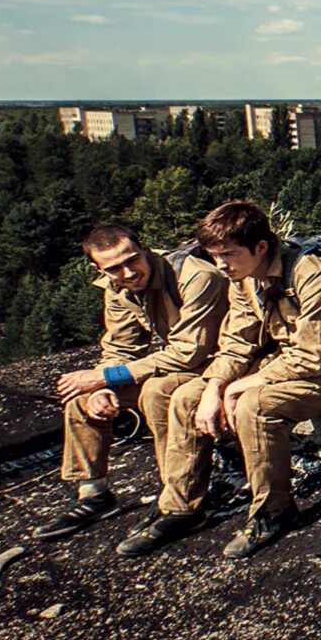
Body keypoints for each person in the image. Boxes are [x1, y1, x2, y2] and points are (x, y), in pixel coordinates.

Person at [118, 201, 321, 560]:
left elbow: (313, 357)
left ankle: (273, 512)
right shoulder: (244, 279)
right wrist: (215, 387)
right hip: (284, 365)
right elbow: (237, 342)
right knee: (186, 395)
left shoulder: (312, 275)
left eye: (227, 255)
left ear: (261, 248)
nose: (220, 265)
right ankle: (182, 506)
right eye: (214, 256)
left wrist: (240, 387)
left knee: (255, 405)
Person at [36, 224, 228, 541]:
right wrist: (103, 386)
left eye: (132, 259)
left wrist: (106, 376)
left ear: (146, 250)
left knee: (158, 391)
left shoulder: (194, 276)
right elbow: (120, 347)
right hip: (178, 362)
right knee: (80, 396)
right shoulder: (117, 288)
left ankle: (180, 498)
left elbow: (191, 351)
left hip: (214, 362)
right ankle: (94, 494)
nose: (127, 271)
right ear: (99, 269)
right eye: (113, 268)